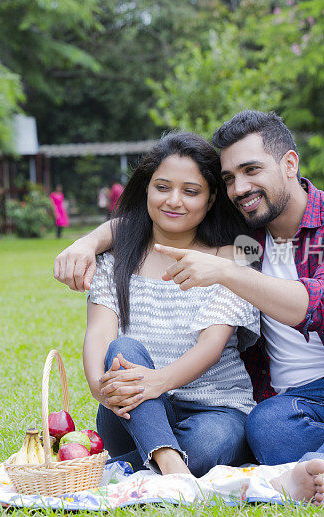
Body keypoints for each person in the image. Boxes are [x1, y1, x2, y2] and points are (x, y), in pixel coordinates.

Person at [53, 110, 324, 504]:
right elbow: (162, 215)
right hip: (297, 406)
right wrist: (89, 241)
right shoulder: (247, 237)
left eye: (252, 170)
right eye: (230, 178)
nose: (240, 187)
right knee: (264, 429)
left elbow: (322, 304)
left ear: (290, 164)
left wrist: (224, 271)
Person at [84, 132, 259, 477]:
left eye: (190, 191)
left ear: (210, 200)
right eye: (162, 187)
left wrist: (158, 381)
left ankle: (141, 462)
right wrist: (100, 389)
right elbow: (99, 332)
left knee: (206, 446)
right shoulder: (114, 258)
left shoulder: (230, 260)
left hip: (215, 409)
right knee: (124, 347)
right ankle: (171, 466)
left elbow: (211, 346)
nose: (173, 200)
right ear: (147, 189)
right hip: (131, 409)